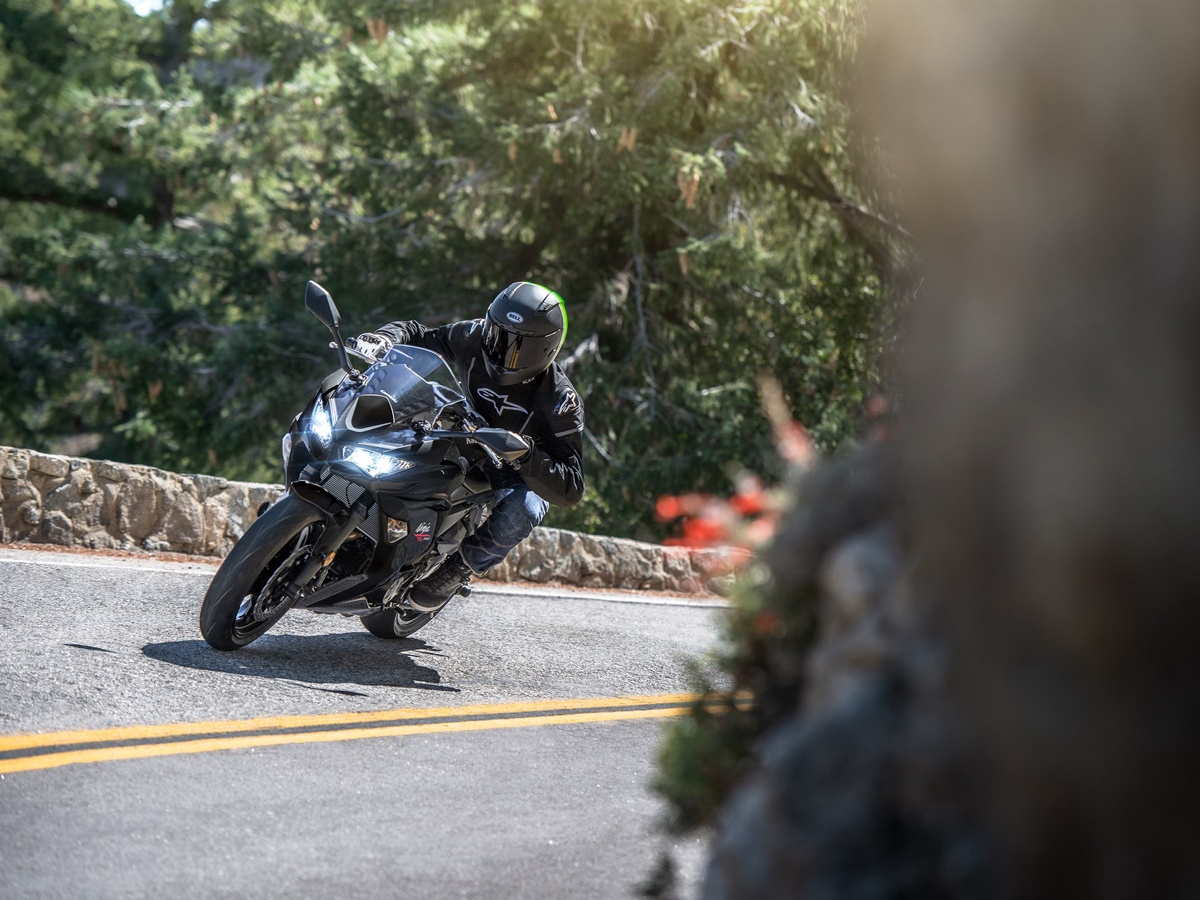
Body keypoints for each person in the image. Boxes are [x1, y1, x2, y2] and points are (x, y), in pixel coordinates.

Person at [355, 282, 585, 612]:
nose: (501, 350)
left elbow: (572, 484)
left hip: (513, 465)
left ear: (546, 349)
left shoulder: (561, 400)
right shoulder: (472, 335)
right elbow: (421, 335)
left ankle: (458, 569)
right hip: (461, 431)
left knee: (528, 508)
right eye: (497, 335)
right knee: (401, 414)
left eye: (518, 346)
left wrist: (527, 455)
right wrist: (386, 338)